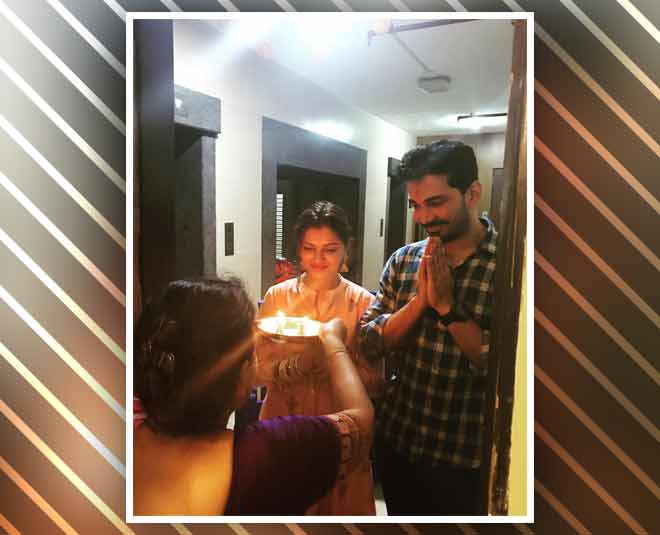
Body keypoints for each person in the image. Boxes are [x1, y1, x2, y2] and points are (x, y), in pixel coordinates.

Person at [133, 277, 373, 516]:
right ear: (241, 376)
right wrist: (333, 343)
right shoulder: (271, 453)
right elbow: (362, 425)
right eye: (253, 352)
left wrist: (300, 363)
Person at [358, 140, 497, 515]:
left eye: (435, 203)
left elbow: (500, 366)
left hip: (464, 457)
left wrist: (448, 307)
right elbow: (368, 341)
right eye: (415, 205)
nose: (423, 217)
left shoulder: (508, 267)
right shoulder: (404, 259)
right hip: (399, 441)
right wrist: (420, 302)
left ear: (472, 193)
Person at [256, 201, 382, 515]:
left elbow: (376, 381)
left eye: (330, 249)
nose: (318, 259)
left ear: (347, 249)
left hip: (339, 434)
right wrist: (296, 367)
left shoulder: (364, 303)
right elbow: (257, 369)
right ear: (299, 250)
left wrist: (335, 367)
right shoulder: (277, 297)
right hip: (284, 425)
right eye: (309, 248)